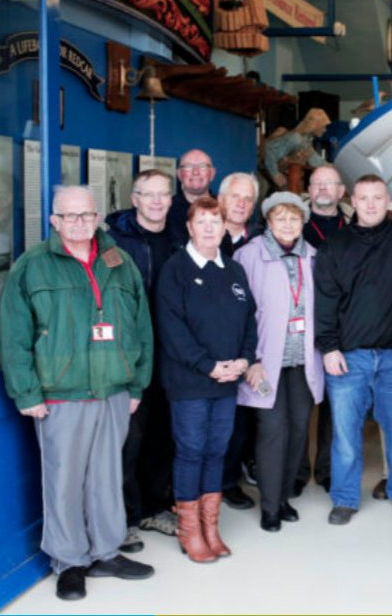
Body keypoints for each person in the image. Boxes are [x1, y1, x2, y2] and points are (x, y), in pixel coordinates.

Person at [0, 185, 155, 601]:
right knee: (64, 479)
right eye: (70, 216)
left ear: (98, 216)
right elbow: (13, 335)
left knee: (107, 476)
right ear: (55, 220)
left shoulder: (118, 261)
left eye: (87, 214)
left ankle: (105, 551)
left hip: (114, 390)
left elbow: (141, 326)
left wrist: (135, 383)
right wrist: (27, 392)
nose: (80, 222)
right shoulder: (33, 266)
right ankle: (69, 562)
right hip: (61, 394)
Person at [155, 196, 262, 562]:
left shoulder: (233, 269)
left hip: (228, 380)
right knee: (191, 451)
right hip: (191, 381)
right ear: (189, 227)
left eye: (215, 221)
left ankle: (211, 527)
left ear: (224, 227)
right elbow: (172, 329)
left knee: (217, 450)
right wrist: (208, 365)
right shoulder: (175, 270)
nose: (209, 228)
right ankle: (190, 531)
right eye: (201, 222)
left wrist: (245, 359)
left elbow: (250, 320)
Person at [314, 174, 392, 525]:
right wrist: (329, 347)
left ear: (388, 200)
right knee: (345, 434)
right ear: (353, 202)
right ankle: (345, 498)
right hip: (349, 356)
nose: (371, 204)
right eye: (364, 198)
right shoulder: (335, 243)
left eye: (377, 197)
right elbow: (325, 300)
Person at [234, 192, 325, 532]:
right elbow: (239, 312)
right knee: (273, 432)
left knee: (298, 431)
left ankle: (284, 497)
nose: (288, 224)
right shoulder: (248, 256)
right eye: (280, 218)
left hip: (303, 359)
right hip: (265, 361)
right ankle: (270, 506)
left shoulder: (313, 256)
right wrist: (251, 358)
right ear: (268, 222)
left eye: (294, 218)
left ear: (303, 222)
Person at [106, 169, 179, 551]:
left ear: (171, 199)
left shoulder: (179, 238)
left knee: (162, 436)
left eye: (162, 194)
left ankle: (154, 506)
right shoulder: (113, 242)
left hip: (170, 355)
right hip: (129, 357)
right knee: (128, 440)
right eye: (147, 194)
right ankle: (124, 518)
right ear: (134, 199)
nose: (155, 201)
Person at [295, 164, 348, 495]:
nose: (323, 189)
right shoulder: (295, 227)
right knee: (300, 406)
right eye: (317, 183)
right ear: (309, 191)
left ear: (342, 191)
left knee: (335, 405)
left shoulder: (353, 228)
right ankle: (297, 470)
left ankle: (327, 469)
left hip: (342, 328)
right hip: (299, 328)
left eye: (330, 183)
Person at [214, 172, 263, 510]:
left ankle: (229, 481)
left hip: (247, 341)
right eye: (236, 197)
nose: (242, 204)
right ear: (221, 200)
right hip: (210, 345)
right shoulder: (205, 235)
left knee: (241, 421)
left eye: (248, 199)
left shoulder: (261, 239)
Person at [168, 149, 217, 247]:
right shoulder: (166, 210)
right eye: (188, 166)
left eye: (202, 166)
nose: (195, 172)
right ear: (179, 174)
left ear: (212, 173)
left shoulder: (224, 208)